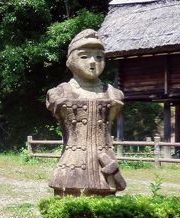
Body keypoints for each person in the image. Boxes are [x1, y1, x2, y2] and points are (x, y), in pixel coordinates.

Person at [46, 29, 126, 196]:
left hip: (105, 168)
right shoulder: (58, 93)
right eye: (84, 56)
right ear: (70, 61)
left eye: (99, 57)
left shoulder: (114, 94)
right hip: (71, 167)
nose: (93, 62)